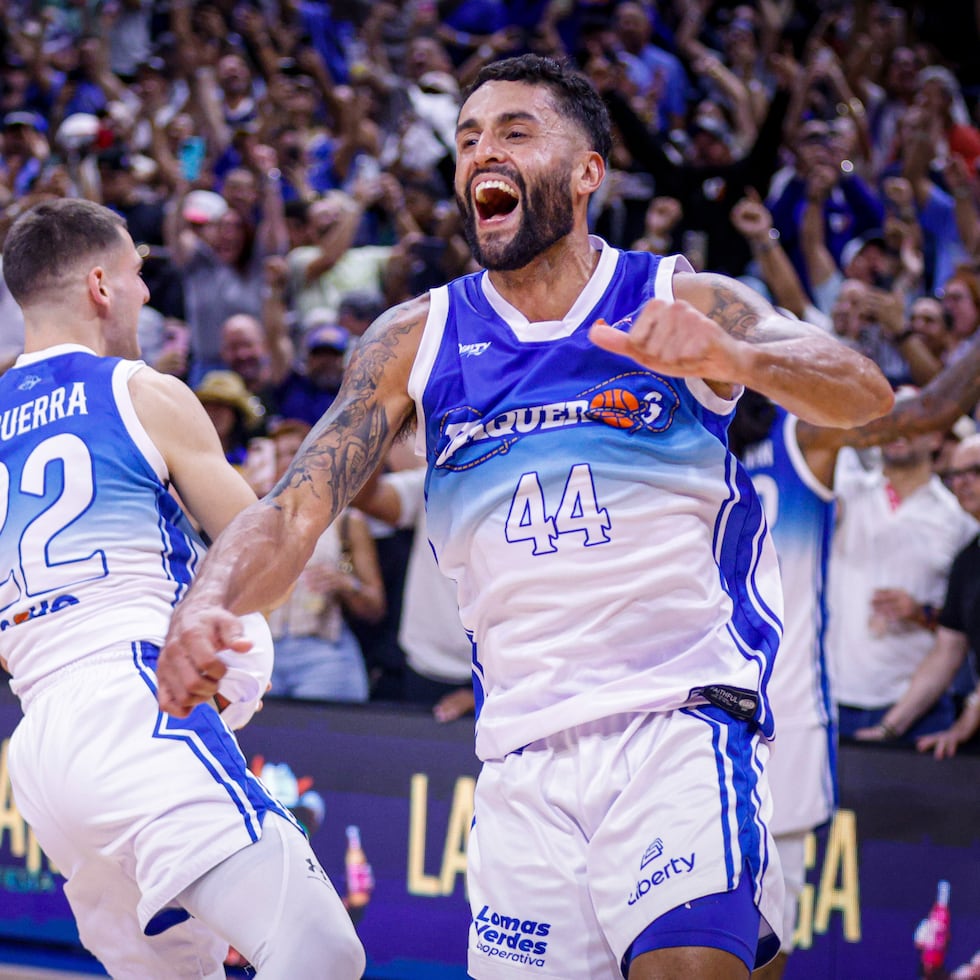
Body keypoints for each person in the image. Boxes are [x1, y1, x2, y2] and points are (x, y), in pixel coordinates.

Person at [157, 55, 893, 980]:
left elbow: (865, 394)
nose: (479, 155)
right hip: (520, 758)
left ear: (587, 172)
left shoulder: (678, 299)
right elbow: (294, 508)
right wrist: (205, 601)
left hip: (676, 718)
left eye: (513, 131)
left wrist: (737, 360)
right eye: (468, 139)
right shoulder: (414, 338)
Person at [0, 199, 364, 979]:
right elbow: (269, 558)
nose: (148, 297)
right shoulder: (141, 391)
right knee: (320, 951)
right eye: (138, 277)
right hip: (134, 702)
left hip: (38, 744)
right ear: (101, 285)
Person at [731, 324, 980, 980]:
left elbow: (928, 414)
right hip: (714, 719)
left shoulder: (797, 439)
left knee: (755, 936)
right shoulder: (686, 448)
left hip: (769, 726)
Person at [856, 434, 980, 758]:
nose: (963, 483)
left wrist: (972, 711)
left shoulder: (957, 532)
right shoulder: (968, 560)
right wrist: (889, 728)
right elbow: (947, 652)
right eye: (956, 475)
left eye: (976, 471)